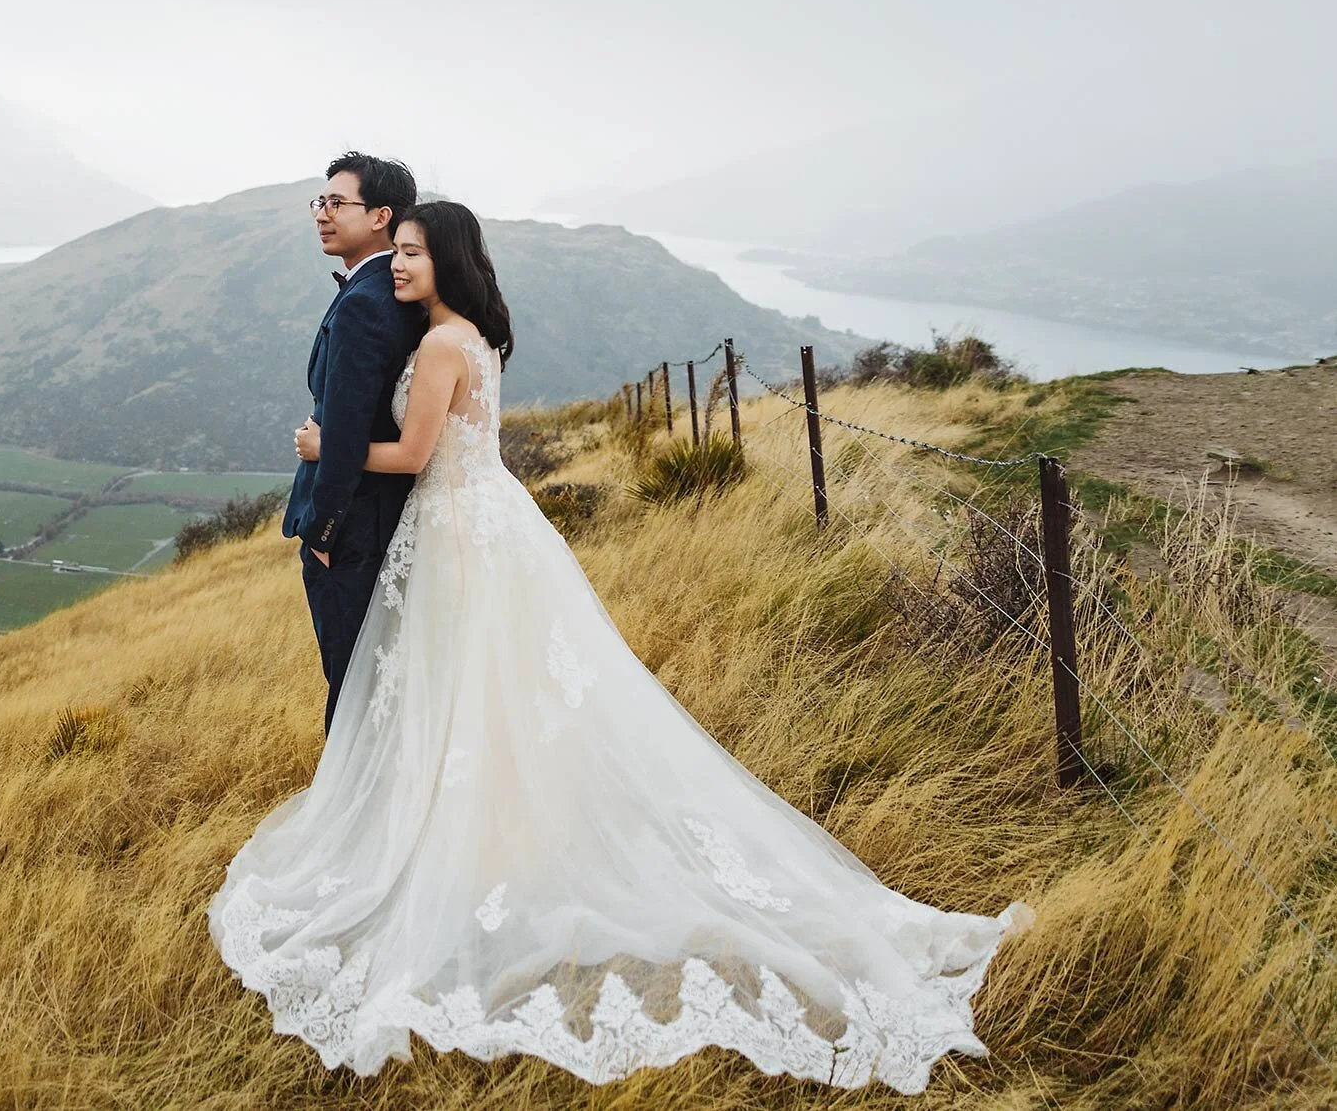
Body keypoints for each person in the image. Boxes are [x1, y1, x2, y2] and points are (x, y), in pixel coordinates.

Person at [211, 199, 1028, 1092]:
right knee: (494, 696)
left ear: (445, 257)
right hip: (485, 526)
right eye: (395, 251)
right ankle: (496, 840)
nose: (399, 265)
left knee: (465, 693)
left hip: (456, 533)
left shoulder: (444, 345)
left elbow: (411, 455)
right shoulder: (476, 336)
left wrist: (328, 443)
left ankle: (472, 850)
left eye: (411, 252)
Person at [282, 153, 428, 732]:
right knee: (376, 678)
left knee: (353, 688)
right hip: (378, 517)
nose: (322, 214)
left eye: (337, 203)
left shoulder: (367, 303)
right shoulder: (394, 291)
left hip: (351, 529)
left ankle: (353, 811)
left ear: (380, 216)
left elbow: (346, 429)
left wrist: (322, 531)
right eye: (320, 202)